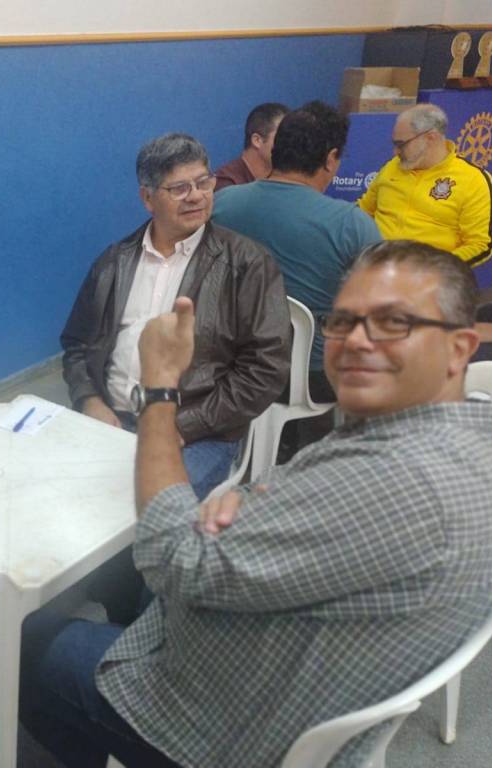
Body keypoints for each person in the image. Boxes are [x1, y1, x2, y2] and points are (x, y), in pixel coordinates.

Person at [22, 239, 492, 768]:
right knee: (126, 578)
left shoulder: (398, 482)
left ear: (460, 349)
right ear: (148, 198)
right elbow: (79, 345)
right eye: (343, 321)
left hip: (223, 724)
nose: (355, 341)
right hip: (282, 647)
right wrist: (252, 497)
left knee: (29, 640)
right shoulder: (455, 435)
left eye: (394, 322)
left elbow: (173, 559)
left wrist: (161, 389)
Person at [60, 132, 290, 501]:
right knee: (52, 488)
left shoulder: (248, 264)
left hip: (197, 431)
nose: (197, 196)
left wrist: (183, 425)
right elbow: (77, 343)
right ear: (147, 198)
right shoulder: (114, 262)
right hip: (111, 418)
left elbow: (266, 369)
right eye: (180, 188)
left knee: (148, 508)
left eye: (203, 182)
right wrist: (89, 399)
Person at [214, 101, 382, 401]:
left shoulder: (220, 203)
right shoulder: (353, 225)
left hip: (228, 366)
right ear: (330, 159)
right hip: (311, 377)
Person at [358, 103, 492, 268]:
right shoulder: (392, 166)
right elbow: (363, 211)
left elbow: (481, 245)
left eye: (401, 144)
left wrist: (433, 269)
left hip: (428, 273)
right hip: (373, 264)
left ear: (430, 138)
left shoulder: (473, 180)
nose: (395, 152)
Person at [213, 102, 288, 191]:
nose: (290, 144)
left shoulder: (285, 180)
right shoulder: (227, 184)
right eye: (283, 137)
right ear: (257, 140)